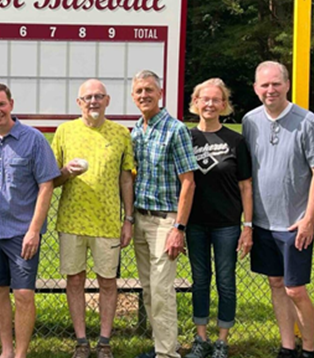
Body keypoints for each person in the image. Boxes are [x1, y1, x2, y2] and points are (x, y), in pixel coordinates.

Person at [242, 61, 314, 358]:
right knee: (276, 283)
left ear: (287, 84)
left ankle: (309, 349)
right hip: (263, 221)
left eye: (276, 84)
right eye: (264, 85)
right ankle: (287, 347)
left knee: (295, 289)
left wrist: (309, 218)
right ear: (256, 89)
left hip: (294, 222)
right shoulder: (249, 121)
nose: (270, 90)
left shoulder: (307, 121)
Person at [0, 83, 61, 358]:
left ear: (11, 104)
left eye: (1, 104)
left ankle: (21, 353)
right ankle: (6, 350)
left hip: (22, 232)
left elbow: (46, 185)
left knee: (23, 295)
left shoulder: (34, 139)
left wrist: (34, 231)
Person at [51, 79, 135, 358]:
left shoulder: (121, 133)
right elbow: (53, 180)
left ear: (107, 100)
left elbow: (126, 179)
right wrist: (65, 172)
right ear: (79, 103)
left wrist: (128, 219)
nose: (93, 101)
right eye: (87, 97)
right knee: (75, 280)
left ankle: (105, 342)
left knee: (108, 282)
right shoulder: (65, 132)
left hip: (108, 222)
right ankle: (81, 342)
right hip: (72, 221)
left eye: (99, 96)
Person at [130, 70, 198, 358]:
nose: (144, 95)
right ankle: (163, 346)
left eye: (149, 90)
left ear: (160, 93)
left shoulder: (176, 129)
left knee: (161, 290)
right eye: (139, 91)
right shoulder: (136, 130)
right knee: (148, 289)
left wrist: (178, 228)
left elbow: (189, 182)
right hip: (140, 218)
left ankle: (168, 353)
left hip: (165, 220)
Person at [183, 79, 253, 358]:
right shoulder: (186, 138)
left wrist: (247, 226)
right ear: (196, 102)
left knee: (226, 281)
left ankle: (222, 340)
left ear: (224, 105)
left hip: (226, 224)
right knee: (200, 280)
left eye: (216, 100)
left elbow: (246, 185)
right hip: (195, 223)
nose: (210, 104)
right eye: (204, 99)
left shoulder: (236, 140)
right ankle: (201, 338)